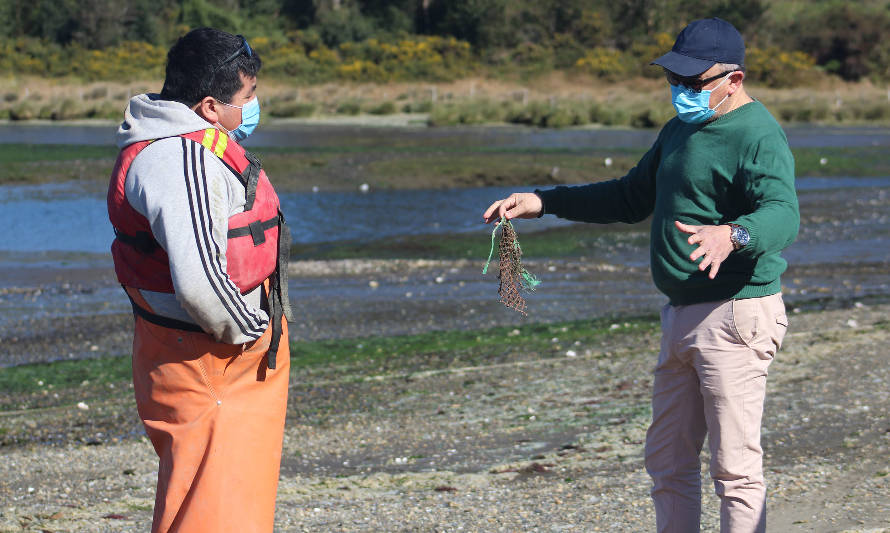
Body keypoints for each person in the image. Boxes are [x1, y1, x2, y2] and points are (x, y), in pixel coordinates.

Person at [483, 17, 799, 533]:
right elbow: (630, 197)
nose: (680, 92)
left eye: (693, 84)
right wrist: (543, 202)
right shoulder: (678, 130)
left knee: (735, 471)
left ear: (734, 80)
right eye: (673, 80)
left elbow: (784, 214)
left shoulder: (758, 135)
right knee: (668, 465)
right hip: (679, 317)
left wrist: (733, 234)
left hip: (736, 315)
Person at [107, 27, 293, 533]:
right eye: (248, 97)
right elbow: (200, 281)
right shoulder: (178, 158)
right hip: (209, 360)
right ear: (211, 107)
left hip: (192, 350)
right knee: (213, 509)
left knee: (219, 497)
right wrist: (250, 334)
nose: (254, 106)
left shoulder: (179, 142)